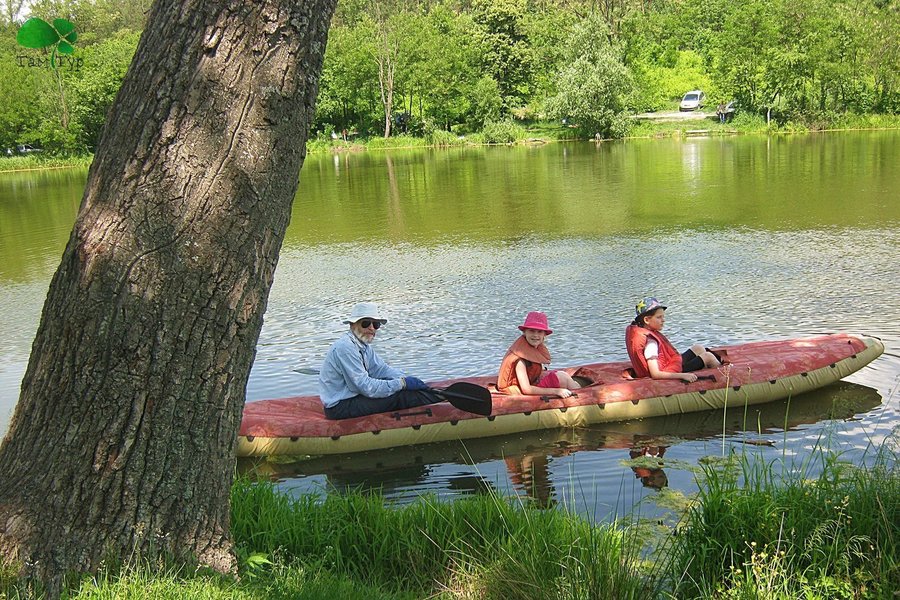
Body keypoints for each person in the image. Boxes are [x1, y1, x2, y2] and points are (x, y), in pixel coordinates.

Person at [319, 302, 441, 419]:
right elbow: (365, 386)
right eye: (366, 323)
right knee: (401, 396)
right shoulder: (345, 348)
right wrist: (402, 384)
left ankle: (439, 397)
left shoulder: (363, 346)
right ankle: (442, 402)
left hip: (352, 398)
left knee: (399, 387)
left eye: (376, 324)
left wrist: (406, 378)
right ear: (352, 325)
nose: (372, 328)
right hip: (340, 406)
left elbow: (381, 370)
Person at [625, 297, 721, 383]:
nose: (663, 320)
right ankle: (724, 379)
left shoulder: (646, 332)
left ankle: (705, 369)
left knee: (698, 348)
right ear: (646, 320)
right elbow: (655, 374)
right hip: (670, 371)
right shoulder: (651, 344)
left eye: (663, 316)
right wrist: (683, 375)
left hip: (671, 364)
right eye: (659, 317)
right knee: (708, 357)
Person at [497, 311, 581, 398]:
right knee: (563, 377)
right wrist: (557, 391)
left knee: (563, 374)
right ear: (524, 332)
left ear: (545, 334)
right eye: (531, 331)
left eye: (540, 332)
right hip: (515, 392)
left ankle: (577, 387)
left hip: (529, 384)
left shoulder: (532, 349)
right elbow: (527, 389)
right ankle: (582, 396)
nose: (535, 335)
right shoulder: (520, 358)